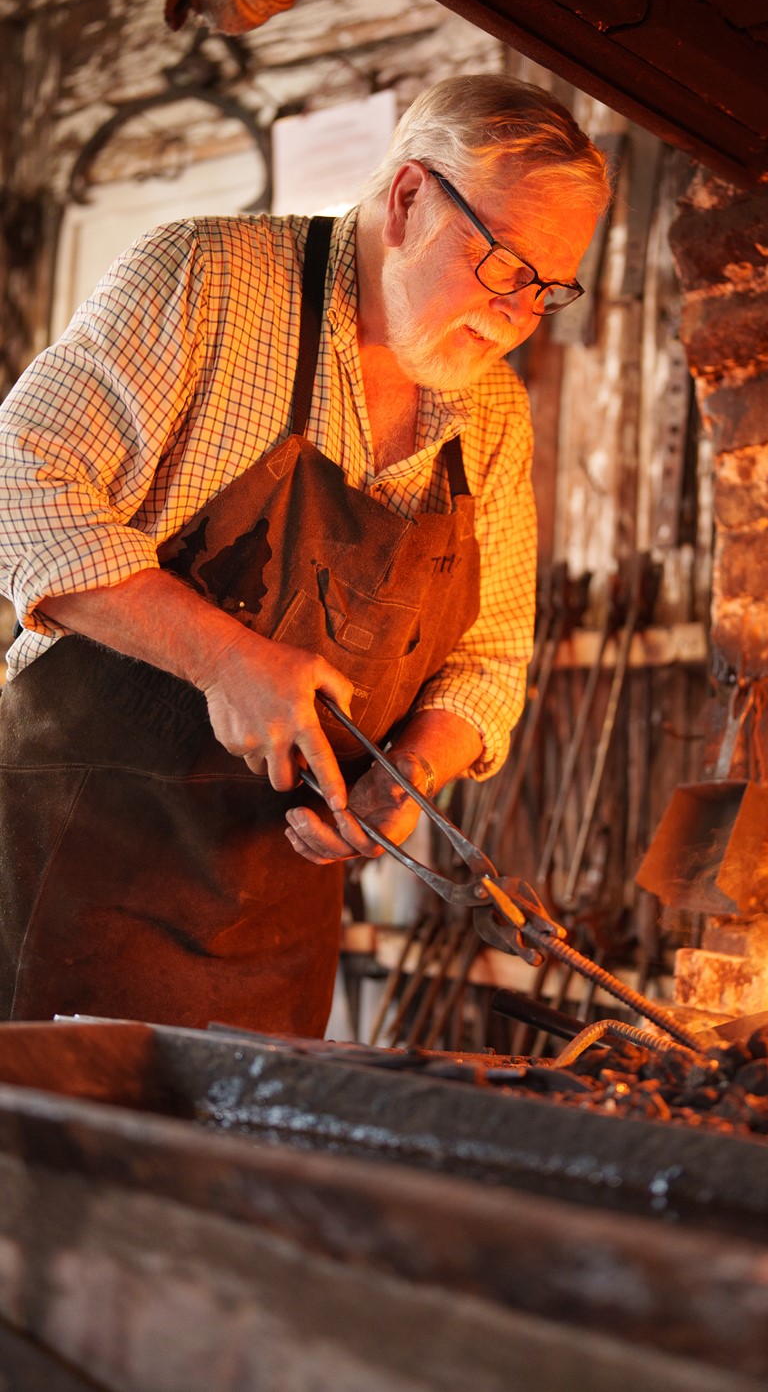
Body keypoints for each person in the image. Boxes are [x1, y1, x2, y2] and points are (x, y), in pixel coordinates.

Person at [0, 73, 609, 1035]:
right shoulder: (208, 278)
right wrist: (224, 656)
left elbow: (489, 662)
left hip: (277, 904)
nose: (516, 315)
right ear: (409, 197)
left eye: (548, 288)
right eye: (502, 266)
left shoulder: (491, 414)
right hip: (73, 865)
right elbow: (18, 483)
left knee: (245, 1177)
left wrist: (406, 776)